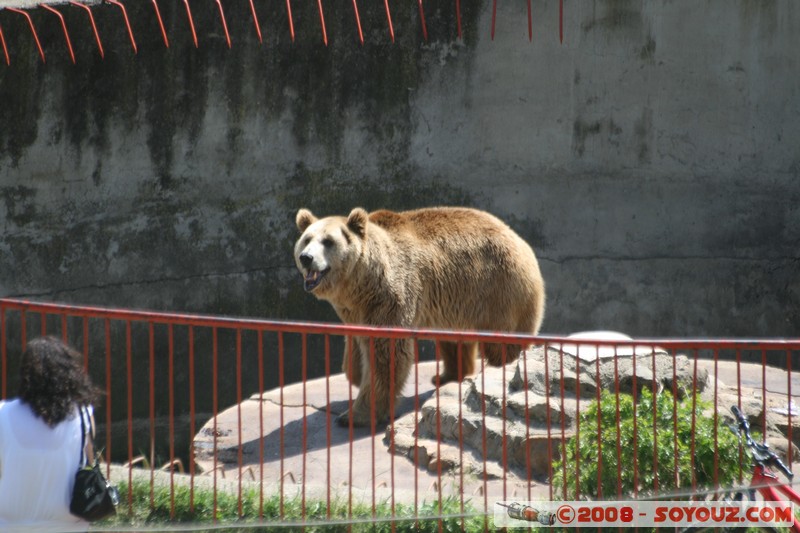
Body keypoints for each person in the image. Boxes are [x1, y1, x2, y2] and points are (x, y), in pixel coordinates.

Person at [0, 336, 100, 531]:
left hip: (11, 523)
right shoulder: (83, 414)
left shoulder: (3, 413)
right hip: (70, 523)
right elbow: (90, 463)